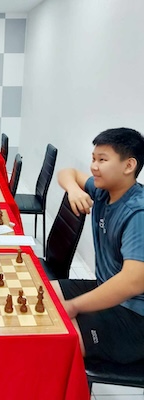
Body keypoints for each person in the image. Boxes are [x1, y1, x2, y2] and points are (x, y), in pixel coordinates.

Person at [53, 127, 144, 364]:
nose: (93, 166)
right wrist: (73, 189)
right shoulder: (104, 190)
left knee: (54, 336)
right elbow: (67, 172)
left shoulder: (138, 213)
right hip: (104, 287)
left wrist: (74, 306)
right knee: (39, 293)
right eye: (93, 158)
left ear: (128, 165)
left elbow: (133, 281)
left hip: (134, 316)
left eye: (102, 160)